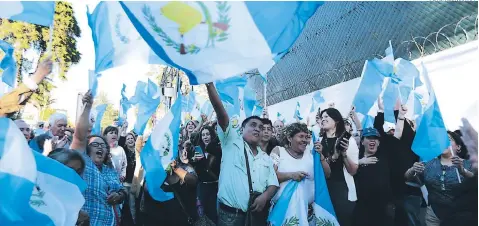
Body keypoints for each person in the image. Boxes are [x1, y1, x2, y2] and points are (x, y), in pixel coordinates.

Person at [205, 82, 279, 226]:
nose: (258, 129)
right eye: (253, 125)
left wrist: (265, 197)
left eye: (261, 127)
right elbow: (221, 112)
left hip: (256, 218)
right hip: (230, 217)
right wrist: (209, 85)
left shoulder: (265, 158)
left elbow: (273, 184)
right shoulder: (231, 141)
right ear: (242, 129)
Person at [71, 90, 126, 226]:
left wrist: (119, 196)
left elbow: (122, 190)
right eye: (95, 144)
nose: (100, 148)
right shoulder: (83, 164)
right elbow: (79, 136)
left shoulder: (110, 170)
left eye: (104, 146)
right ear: (87, 149)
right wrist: (87, 107)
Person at [406, 131, 474, 226]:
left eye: (448, 139)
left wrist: (463, 171)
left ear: (458, 147)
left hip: (459, 215)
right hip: (433, 215)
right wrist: (412, 169)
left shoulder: (469, 164)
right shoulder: (429, 164)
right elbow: (407, 177)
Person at [269, 123, 325, 225]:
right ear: (289, 138)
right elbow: (270, 177)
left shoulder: (311, 154)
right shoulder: (278, 151)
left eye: (306, 137)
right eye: (301, 136)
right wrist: (291, 175)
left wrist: (320, 155)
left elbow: (327, 174)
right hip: (283, 213)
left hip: (309, 214)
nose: (304, 140)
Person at [318, 107, 359, 226]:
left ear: (336, 120)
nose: (323, 119)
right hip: (323, 189)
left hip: (342, 190)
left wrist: (344, 154)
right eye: (322, 117)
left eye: (326, 117)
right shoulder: (318, 141)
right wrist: (333, 157)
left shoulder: (348, 141)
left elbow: (353, 171)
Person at [353, 127, 394, 226]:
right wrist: (359, 163)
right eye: (369, 138)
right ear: (362, 141)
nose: (372, 140)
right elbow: (345, 173)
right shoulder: (355, 159)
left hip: (383, 209)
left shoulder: (385, 157)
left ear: (379, 142)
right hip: (362, 208)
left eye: (375, 138)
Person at [47, 149, 90, 226]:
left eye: (78, 172)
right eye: (69, 170)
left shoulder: (78, 210)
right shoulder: (33, 195)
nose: (74, 176)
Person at [191, 125, 222, 223]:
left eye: (207, 134)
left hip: (216, 187)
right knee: (201, 214)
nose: (205, 137)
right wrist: (194, 161)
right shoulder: (198, 150)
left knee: (214, 214)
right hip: (202, 187)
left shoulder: (218, 150)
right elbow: (199, 172)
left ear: (212, 135)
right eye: (203, 135)